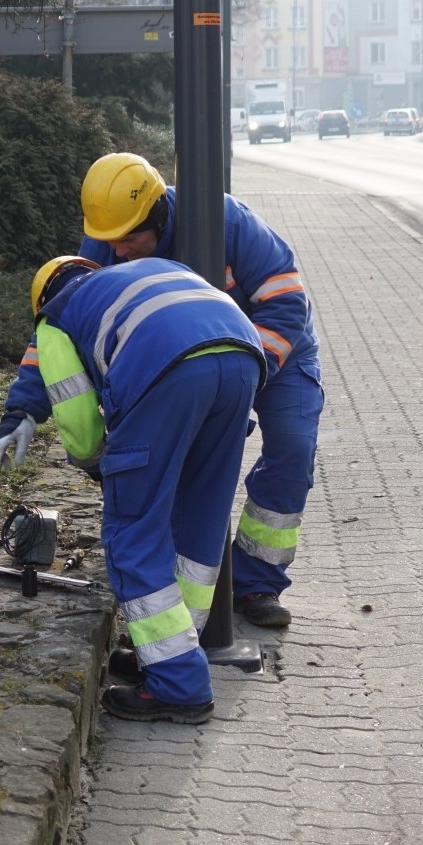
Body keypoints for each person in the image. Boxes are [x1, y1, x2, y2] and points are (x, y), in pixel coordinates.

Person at [0, 255, 264, 724]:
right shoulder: (134, 277)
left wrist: (110, 471)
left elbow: (81, 431)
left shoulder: (57, 316)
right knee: (199, 519)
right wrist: (22, 411)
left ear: (42, 301)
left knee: (133, 531)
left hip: (167, 372)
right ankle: (172, 653)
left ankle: (178, 684)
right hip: (241, 358)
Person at [74, 153, 321, 628]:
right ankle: (178, 578)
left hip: (278, 350)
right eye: (110, 241)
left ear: (157, 217)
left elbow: (287, 303)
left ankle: (257, 580)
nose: (118, 251)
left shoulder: (229, 222)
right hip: (187, 360)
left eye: (130, 239)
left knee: (292, 450)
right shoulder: (108, 236)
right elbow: (76, 320)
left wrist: (244, 385)